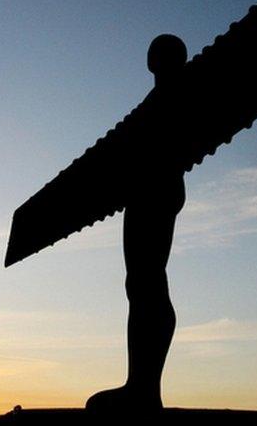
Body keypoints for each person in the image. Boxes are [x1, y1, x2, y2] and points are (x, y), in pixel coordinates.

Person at [86, 35, 188, 415]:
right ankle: (141, 384)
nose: (150, 56)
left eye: (157, 51)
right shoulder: (157, 100)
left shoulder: (176, 94)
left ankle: (144, 388)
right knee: (141, 282)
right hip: (148, 189)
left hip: (156, 189)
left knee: (147, 280)